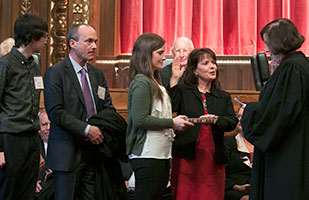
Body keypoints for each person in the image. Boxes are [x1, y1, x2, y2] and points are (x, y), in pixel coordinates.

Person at [43, 24, 114, 200]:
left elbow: (107, 108)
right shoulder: (56, 72)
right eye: (89, 41)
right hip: (67, 154)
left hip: (94, 152)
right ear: (72, 43)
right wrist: (87, 129)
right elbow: (56, 112)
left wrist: (100, 131)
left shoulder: (97, 74)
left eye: (95, 41)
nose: (94, 46)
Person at [241, 18, 309, 200]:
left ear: (280, 42)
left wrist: (249, 112)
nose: (268, 50)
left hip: (288, 153)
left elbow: (280, 113)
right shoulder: (296, 64)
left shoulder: (292, 68)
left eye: (268, 44)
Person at [126, 33, 193, 200]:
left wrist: (175, 79)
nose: (165, 57)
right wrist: (172, 123)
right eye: (160, 53)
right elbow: (140, 119)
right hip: (147, 154)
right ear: (147, 54)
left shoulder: (153, 81)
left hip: (159, 153)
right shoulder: (142, 82)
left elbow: (162, 110)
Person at [170, 48, 238, 200]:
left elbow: (232, 121)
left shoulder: (223, 96)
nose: (212, 66)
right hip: (188, 154)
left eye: (213, 63)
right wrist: (174, 80)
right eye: (206, 63)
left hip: (214, 155)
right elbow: (169, 109)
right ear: (195, 70)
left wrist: (217, 120)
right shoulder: (183, 91)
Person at [0, 13, 48, 200]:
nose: (46, 41)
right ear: (32, 37)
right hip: (10, 137)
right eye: (44, 36)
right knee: (8, 191)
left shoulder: (34, 66)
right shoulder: (5, 65)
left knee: (27, 191)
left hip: (30, 137)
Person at [224, 106, 253, 200]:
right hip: (233, 189)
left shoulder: (264, 145)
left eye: (244, 116)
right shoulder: (227, 143)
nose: (240, 120)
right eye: (239, 116)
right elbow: (218, 174)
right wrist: (237, 187)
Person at [35, 109, 54, 200]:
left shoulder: (63, 145)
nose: (48, 128)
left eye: (51, 124)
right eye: (44, 124)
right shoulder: (33, 145)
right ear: (38, 129)